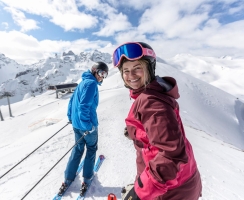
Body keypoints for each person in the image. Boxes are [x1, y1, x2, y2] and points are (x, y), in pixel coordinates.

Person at [113, 42, 202, 200]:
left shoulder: (150, 101)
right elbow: (162, 132)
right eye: (126, 70)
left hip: (169, 190)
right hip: (182, 180)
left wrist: (140, 191)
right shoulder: (155, 92)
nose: (131, 75)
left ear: (150, 67)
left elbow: (171, 154)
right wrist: (137, 133)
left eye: (137, 68)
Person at [58, 61, 109, 196]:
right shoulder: (91, 84)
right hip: (88, 126)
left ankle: (68, 178)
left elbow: (72, 101)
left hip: (76, 125)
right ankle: (87, 178)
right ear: (94, 71)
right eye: (101, 73)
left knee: (78, 149)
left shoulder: (82, 82)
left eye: (105, 75)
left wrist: (71, 117)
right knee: (91, 149)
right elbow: (83, 106)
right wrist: (88, 126)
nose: (102, 77)